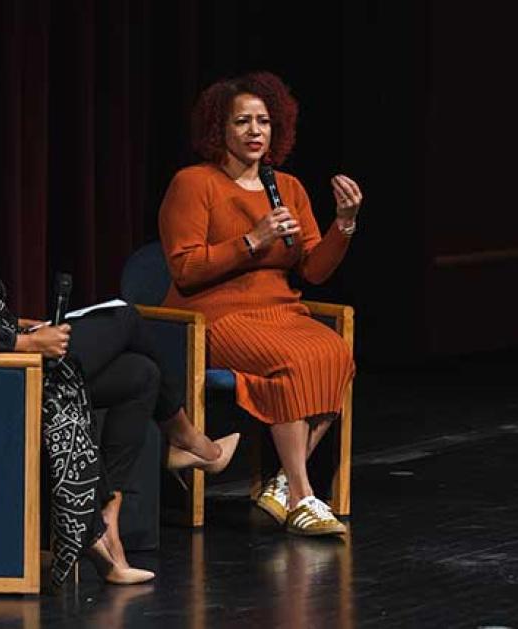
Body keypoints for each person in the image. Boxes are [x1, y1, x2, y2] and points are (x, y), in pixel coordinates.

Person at [0, 89, 239, 588]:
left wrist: (18, 327)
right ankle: (188, 442)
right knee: (125, 318)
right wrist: (23, 346)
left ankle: (108, 524)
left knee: (139, 376)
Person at [158, 72, 362, 536]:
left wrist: (343, 225)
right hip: (215, 315)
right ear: (219, 130)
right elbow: (185, 270)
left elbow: (312, 270)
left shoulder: (287, 187)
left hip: (281, 311)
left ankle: (282, 488)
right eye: (242, 122)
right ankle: (305, 495)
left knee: (335, 352)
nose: (255, 131)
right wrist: (252, 240)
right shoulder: (194, 184)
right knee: (291, 361)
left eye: (264, 122)